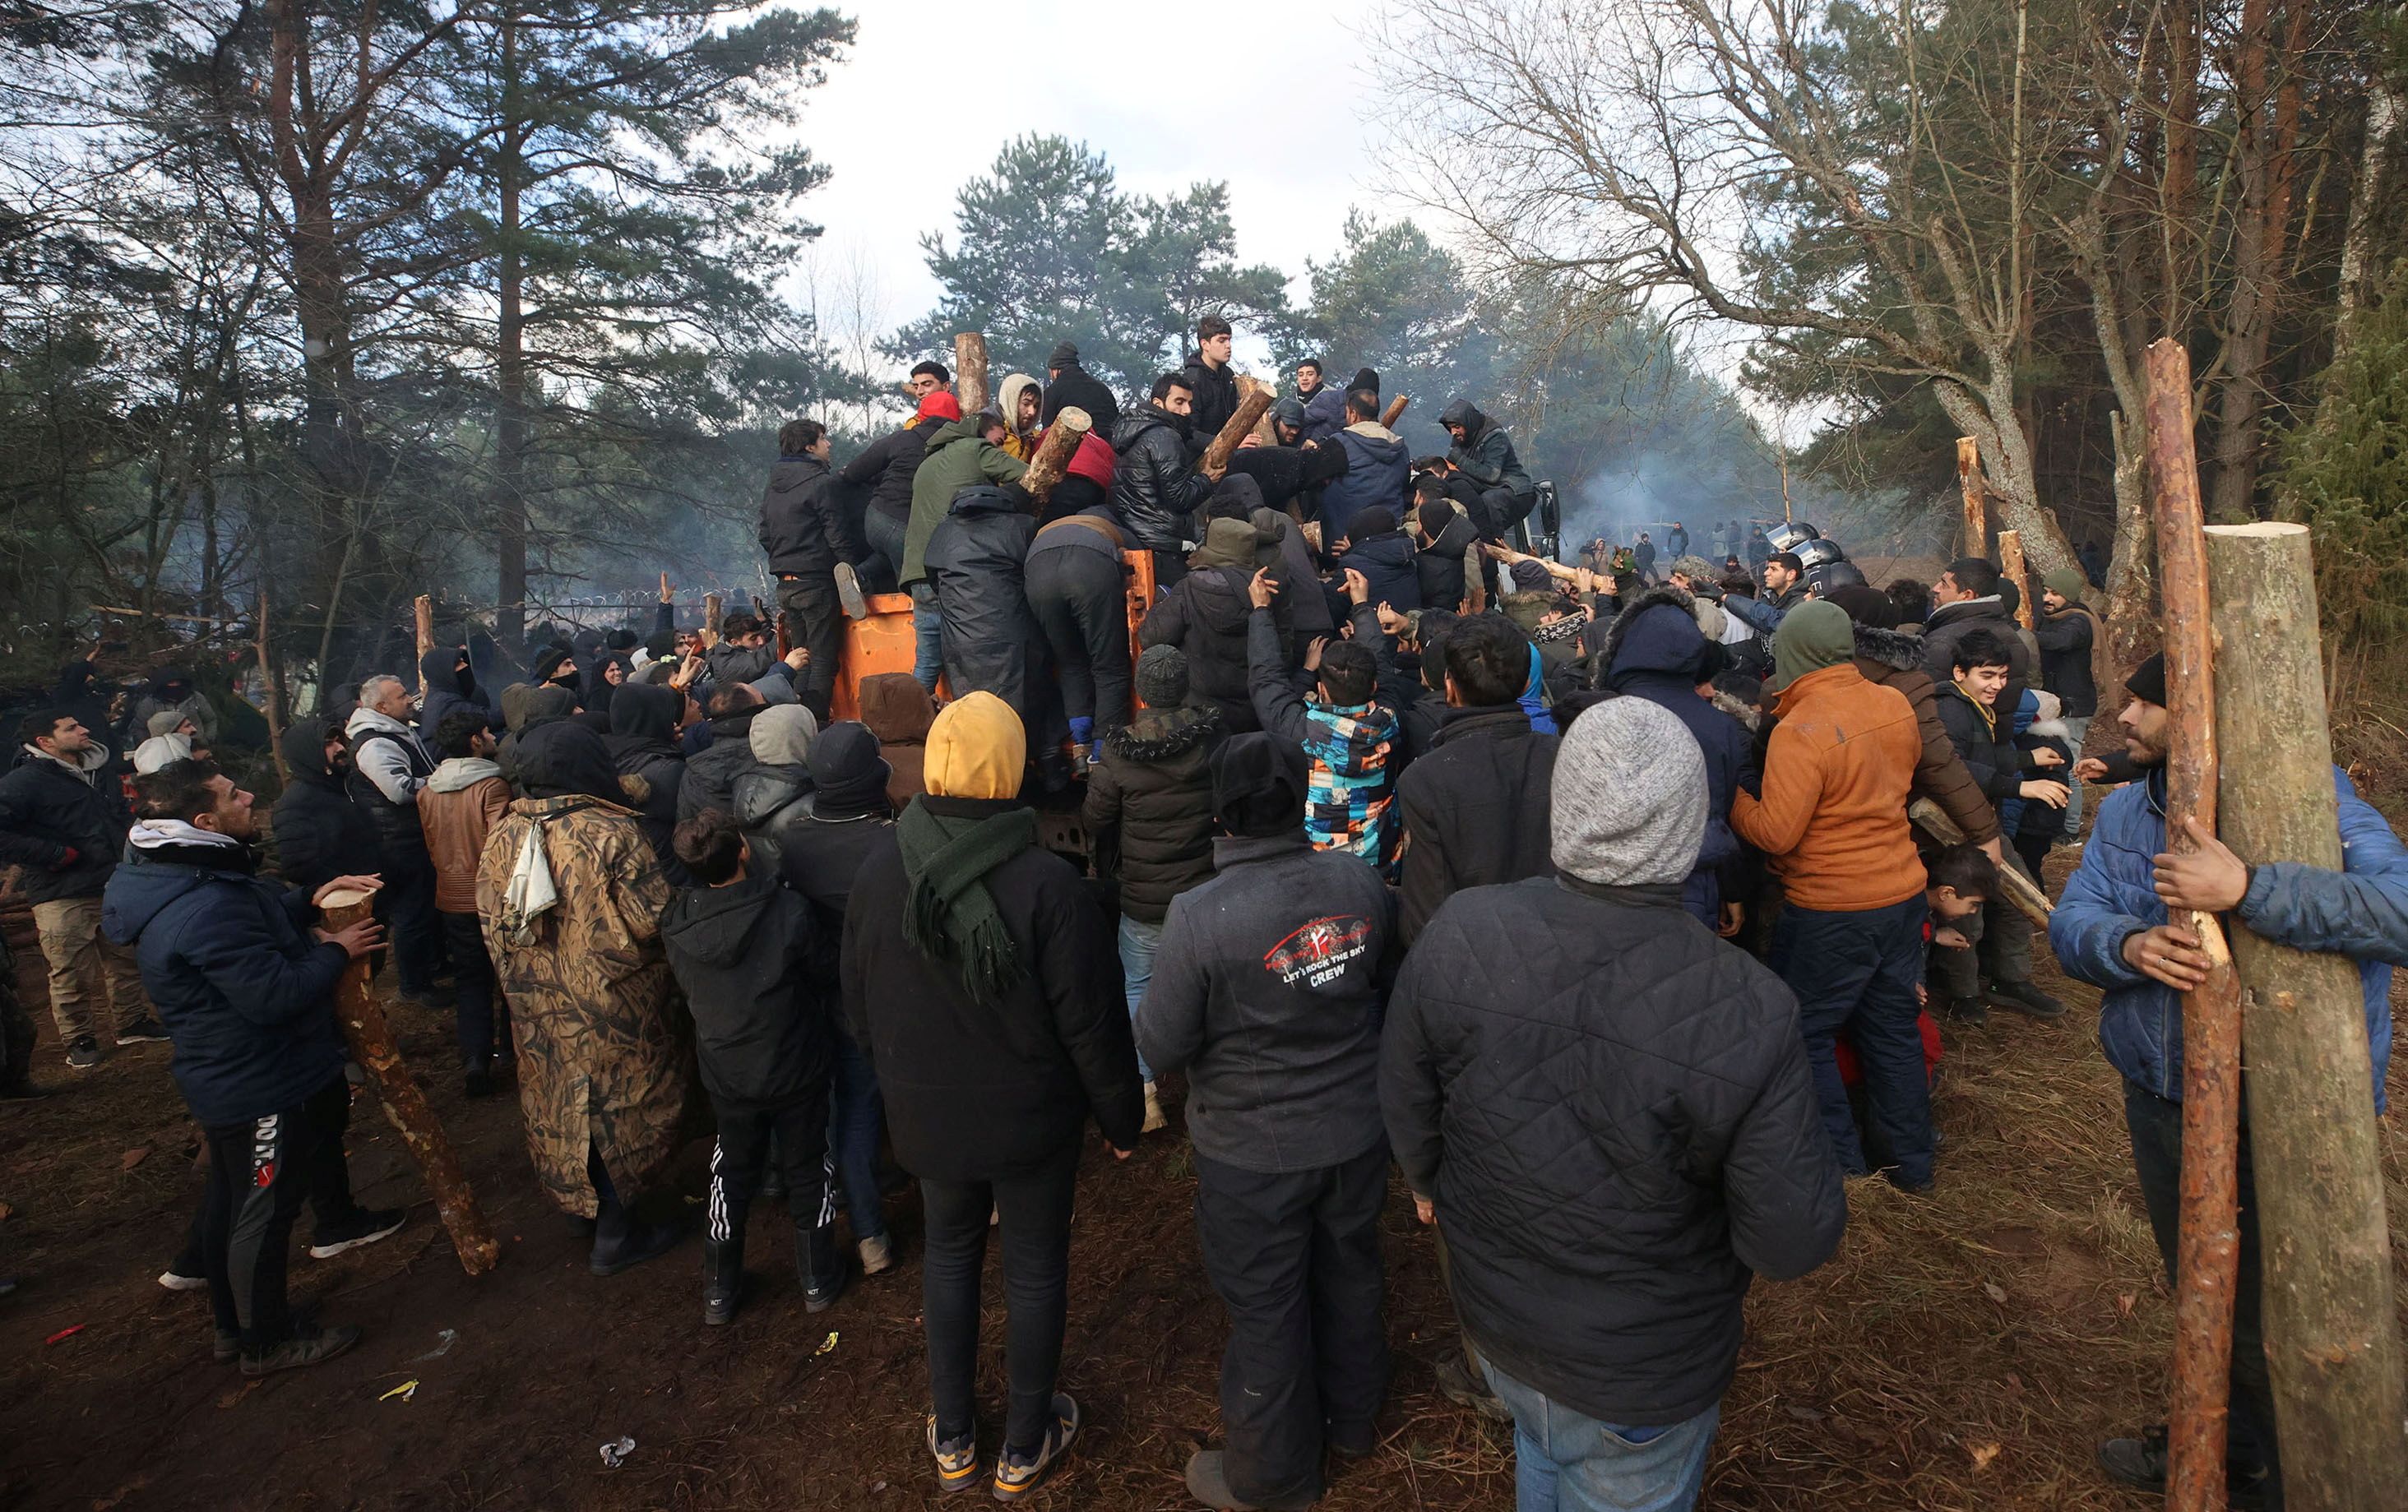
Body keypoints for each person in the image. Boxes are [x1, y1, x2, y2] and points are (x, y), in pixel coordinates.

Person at [1383, 698, 1848, 1512]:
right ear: (1685, 826)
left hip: (1498, 1323)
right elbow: (1791, 1239)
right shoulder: (1747, 1004)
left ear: (1570, 807)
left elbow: (1405, 1094)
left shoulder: (1461, 931)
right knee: (1580, 1460)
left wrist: (1430, 1181)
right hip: (1642, 1368)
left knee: (1542, 1447)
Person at [2052, 652, 2407, 1509]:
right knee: (2201, 1285)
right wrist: (2126, 947)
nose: (2124, 721)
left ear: (2202, 719)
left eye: (2143, 705)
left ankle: (2297, 1479)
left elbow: (2400, 914)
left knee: (2297, 1313)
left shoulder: (2318, 802)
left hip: (2298, 1119)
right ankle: (2223, 1441)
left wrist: (2249, 887)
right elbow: (2074, 921)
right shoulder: (2129, 813)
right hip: (2165, 1097)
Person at [840, 693, 1142, 1500]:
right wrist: (1119, 1118)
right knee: (1037, 1271)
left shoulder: (881, 869)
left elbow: (857, 1002)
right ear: (1010, 768)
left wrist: (900, 1086)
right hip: (1031, 1123)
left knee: (949, 1256)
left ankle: (953, 1438)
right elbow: (1092, 1024)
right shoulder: (1049, 884)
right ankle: (1024, 1443)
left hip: (928, 1122)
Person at [1135, 733, 1396, 1510]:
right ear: (1299, 798)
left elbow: (1161, 1041)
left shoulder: (1199, 916)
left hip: (1253, 1154)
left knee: (1267, 1307)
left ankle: (1275, 1476)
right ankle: (1353, 1419)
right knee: (1350, 1271)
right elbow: (1381, 981)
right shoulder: (1358, 880)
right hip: (1355, 1132)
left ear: (1222, 814)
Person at [100, 759, 398, 1374]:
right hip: (257, 1078)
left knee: (234, 1201)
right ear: (205, 819)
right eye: (236, 793)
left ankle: (235, 1324)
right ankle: (263, 1338)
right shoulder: (204, 902)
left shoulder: (184, 869)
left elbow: (247, 916)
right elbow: (274, 994)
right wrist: (337, 951)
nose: (250, 795)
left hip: (237, 1071)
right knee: (263, 1208)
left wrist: (302, 899)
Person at [1729, 601, 1934, 1191]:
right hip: (1901, 892)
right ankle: (1911, 1169)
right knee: (1892, 1029)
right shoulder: (1893, 703)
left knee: (1805, 1031)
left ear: (1792, 654)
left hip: (1831, 906)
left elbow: (1775, 831)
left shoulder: (1801, 730)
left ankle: (1843, 1167)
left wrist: (1733, 795)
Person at [478, 721, 690, 1276]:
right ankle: (620, 1231)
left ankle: (584, 1209)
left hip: (538, 1001)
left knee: (559, 1099)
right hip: (611, 1003)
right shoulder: (609, 831)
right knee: (621, 1103)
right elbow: (651, 917)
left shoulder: (504, 832)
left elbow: (489, 919)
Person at [663, 810, 845, 1324]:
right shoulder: (788, 910)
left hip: (728, 1073)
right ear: (743, 849)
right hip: (795, 1066)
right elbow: (825, 971)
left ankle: (720, 1290)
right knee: (810, 1165)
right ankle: (818, 1278)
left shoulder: (676, 925)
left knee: (731, 1172)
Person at [739, 722, 898, 1275]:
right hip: (896, 997)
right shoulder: (890, 841)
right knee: (928, 1094)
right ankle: (977, 1199)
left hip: (835, 998)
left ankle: (872, 1238)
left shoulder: (796, 842)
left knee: (853, 1116)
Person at [1082, 645, 1223, 1135]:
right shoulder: (1211, 737)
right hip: (1204, 894)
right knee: (1210, 987)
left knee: (1137, 985)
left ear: (1140, 690)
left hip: (1144, 898)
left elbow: (1094, 819)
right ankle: (1213, 1088)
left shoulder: (1120, 752)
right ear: (1184, 686)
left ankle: (1145, 1098)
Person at [0, 710, 160, 1067]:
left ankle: (132, 1021)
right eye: (71, 728)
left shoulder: (95, 773)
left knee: (125, 959)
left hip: (111, 881)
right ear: (45, 742)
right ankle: (79, 1038)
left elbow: (115, 817)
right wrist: (53, 854)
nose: (85, 729)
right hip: (60, 891)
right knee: (70, 970)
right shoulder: (23, 782)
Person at [1393, 613, 1558, 947]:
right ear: (1527, 683)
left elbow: (1426, 915)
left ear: (1449, 687)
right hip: (1560, 946)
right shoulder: (1566, 756)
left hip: (1468, 956)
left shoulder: (1424, 779)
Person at [1930, 630, 2068, 1021]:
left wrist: (2026, 759)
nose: (1997, 685)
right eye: (1987, 675)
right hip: (1957, 832)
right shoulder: (1949, 709)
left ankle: (2010, 980)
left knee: (2015, 902)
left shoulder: (1975, 707)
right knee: (1966, 915)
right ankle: (1963, 994)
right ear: (1960, 672)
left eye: (2003, 676)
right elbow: (1955, 769)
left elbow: (1987, 757)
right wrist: (2021, 786)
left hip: (1984, 825)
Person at [1599, 585, 1753, 930]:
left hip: (1610, 886)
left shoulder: (1599, 719)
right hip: (1693, 885)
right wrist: (1731, 889)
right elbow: (1719, 816)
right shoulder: (1719, 726)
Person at [1823, 585, 2003, 853]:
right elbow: (1939, 763)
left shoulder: (1793, 677)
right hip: (1883, 832)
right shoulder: (1905, 683)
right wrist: (1985, 832)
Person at [1247, 568, 1398, 864]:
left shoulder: (1301, 732)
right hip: (1381, 870)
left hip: (1316, 871)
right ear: (1375, 688)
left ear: (1321, 691)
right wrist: (1361, 607)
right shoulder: (1391, 721)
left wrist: (1261, 610)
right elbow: (1380, 662)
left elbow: (1267, 681)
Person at [418, 712, 512, 1094]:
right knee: (509, 976)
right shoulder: (493, 786)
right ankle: (511, 1051)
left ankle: (475, 1059)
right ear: (475, 741)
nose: (492, 737)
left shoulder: (427, 791)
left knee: (470, 980)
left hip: (451, 898)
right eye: (487, 732)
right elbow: (500, 847)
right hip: (492, 899)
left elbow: (430, 843)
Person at [345, 676, 451, 1007]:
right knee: (412, 913)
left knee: (425, 906)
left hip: (410, 835)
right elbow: (400, 789)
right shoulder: (375, 744)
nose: (410, 699)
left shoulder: (397, 730)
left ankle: (433, 966)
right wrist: (441, 781)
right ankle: (414, 986)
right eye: (402, 695)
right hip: (397, 841)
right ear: (381, 707)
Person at [760, 418, 861, 719]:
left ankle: (795, 721)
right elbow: (837, 536)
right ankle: (814, 725)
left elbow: (765, 535)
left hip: (786, 585)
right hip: (817, 583)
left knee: (800, 658)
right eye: (823, 439)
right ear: (809, 446)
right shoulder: (821, 483)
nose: (828, 444)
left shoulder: (773, 487)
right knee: (822, 662)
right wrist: (854, 573)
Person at [1025, 492, 1136, 756]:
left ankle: (1080, 744)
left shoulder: (1052, 527)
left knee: (1070, 662)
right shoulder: (1112, 529)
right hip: (1089, 568)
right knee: (1109, 666)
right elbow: (1140, 564)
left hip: (1039, 570)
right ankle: (1104, 752)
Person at [924, 483, 1044, 728]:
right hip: (1011, 634)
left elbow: (935, 582)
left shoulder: (943, 532)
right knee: (1018, 714)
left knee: (973, 716)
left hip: (961, 640)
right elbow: (1037, 580)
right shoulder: (1023, 526)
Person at [1139, 517, 1264, 734]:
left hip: (1198, 711)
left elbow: (1151, 637)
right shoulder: (1265, 592)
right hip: (1255, 708)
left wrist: (1159, 605)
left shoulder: (1188, 589)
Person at [842, 390, 959, 590]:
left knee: (889, 550)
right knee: (917, 588)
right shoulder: (958, 448)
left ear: (921, 416)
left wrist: (880, 478)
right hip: (908, 527)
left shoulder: (902, 438)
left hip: (876, 518)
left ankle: (859, 576)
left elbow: (853, 473)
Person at [1113, 372, 1217, 589]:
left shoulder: (1133, 432)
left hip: (1137, 532)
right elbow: (1179, 499)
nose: (1187, 411)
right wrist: (1208, 480)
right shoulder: (1165, 436)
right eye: (1179, 402)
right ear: (1158, 403)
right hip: (1162, 541)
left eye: (1189, 403)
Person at [2034, 568, 2102, 827]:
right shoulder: (2054, 617)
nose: (2047, 598)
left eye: (2055, 593)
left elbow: (2061, 641)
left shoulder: (2078, 621)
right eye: (2046, 591)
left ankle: (2072, 828)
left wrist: (2024, 634)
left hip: (2073, 705)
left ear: (2070, 596)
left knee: (2070, 765)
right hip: (2058, 702)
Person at [1919, 557, 2034, 709]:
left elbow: (1926, 706)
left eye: (1944, 584)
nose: (1936, 588)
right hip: (1999, 731)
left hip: (1954, 731)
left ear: (1967, 595)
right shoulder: (2014, 637)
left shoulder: (1942, 642)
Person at [1437, 400, 1535, 543]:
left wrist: (1460, 461)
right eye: (1450, 428)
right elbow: (1451, 464)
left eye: (1457, 426)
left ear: (1468, 422)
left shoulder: (1495, 436)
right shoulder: (1461, 437)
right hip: (1486, 485)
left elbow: (1491, 474)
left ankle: (1492, 542)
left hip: (1513, 488)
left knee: (1488, 501)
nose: (1453, 432)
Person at [1315, 388, 1409, 531]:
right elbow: (1403, 486)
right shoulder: (1401, 448)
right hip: (1390, 536)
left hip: (1345, 540)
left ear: (1353, 414)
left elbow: (1316, 481)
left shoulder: (1339, 444)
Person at [1413, 491, 1480, 614]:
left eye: (1418, 523)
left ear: (1427, 529)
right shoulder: (1454, 551)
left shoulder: (1430, 569)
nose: (1416, 529)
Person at [1040, 341, 1120, 439]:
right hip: (1111, 448)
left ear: (1055, 370)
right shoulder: (1103, 389)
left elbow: (1047, 434)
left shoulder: (1051, 393)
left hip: (1079, 450)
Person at [1181, 314, 1239, 442]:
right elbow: (1189, 432)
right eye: (1221, 340)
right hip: (1199, 455)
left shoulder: (1229, 376)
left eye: (1229, 340)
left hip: (1228, 448)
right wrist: (1230, 443)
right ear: (1205, 344)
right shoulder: (1192, 379)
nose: (1228, 345)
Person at [1725, 551, 1806, 638]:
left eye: (1773, 569)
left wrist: (1724, 597)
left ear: (1791, 575)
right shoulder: (1769, 595)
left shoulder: (1801, 604)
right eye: (1767, 568)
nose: (1766, 573)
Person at [1292, 358, 1345, 444]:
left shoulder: (1333, 398)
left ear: (1319, 378)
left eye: (1310, 374)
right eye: (1301, 375)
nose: (1304, 378)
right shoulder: (1292, 401)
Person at [995, 373, 1044, 460]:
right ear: (1011, 401)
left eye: (1036, 406)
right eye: (1026, 404)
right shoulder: (988, 432)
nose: (1032, 412)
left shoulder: (1034, 439)